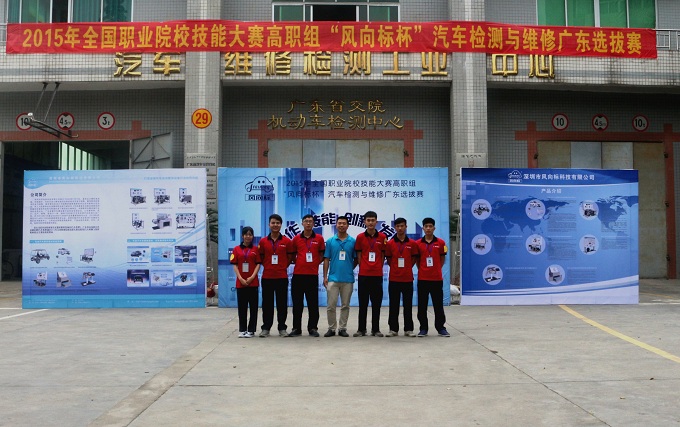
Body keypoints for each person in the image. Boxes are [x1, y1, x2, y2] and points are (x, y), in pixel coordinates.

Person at [288, 214, 325, 337]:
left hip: (312, 276)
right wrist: (300, 262)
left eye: (310, 221)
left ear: (314, 223)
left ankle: (313, 328)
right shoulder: (296, 239)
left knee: (313, 304)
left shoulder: (319, 238)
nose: (308, 223)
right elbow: (292, 256)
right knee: (297, 304)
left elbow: (321, 255)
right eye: (306, 221)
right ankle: (296, 328)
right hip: (298, 276)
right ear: (302, 223)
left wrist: (314, 264)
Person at [257, 214, 293, 338]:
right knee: (267, 304)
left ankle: (282, 328)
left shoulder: (287, 241)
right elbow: (261, 257)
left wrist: (282, 266)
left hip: (282, 277)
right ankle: (266, 328)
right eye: (273, 223)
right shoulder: (263, 241)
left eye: (278, 223)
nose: (275, 225)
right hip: (267, 277)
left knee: (282, 304)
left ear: (281, 225)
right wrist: (268, 266)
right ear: (269, 224)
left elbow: (290, 257)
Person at [354, 210, 387, 337]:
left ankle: (376, 329)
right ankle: (361, 329)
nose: (371, 222)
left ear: (376, 222)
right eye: (368, 220)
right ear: (364, 222)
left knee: (376, 304)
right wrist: (363, 267)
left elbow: (383, 254)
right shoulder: (360, 237)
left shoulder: (382, 237)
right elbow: (359, 254)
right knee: (363, 304)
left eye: (373, 220)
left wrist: (378, 266)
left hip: (377, 275)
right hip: (364, 275)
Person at [322, 215, 357, 337]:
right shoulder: (330, 241)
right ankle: (331, 328)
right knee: (331, 306)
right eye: (339, 223)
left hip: (348, 279)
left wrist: (349, 268)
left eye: (344, 223)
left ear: (348, 226)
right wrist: (325, 277)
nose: (341, 225)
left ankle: (342, 328)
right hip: (333, 279)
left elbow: (356, 259)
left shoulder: (352, 241)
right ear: (336, 225)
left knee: (345, 305)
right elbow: (326, 259)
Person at [384, 217, 419, 337]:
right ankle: (393, 329)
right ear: (395, 227)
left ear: (406, 226)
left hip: (407, 278)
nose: (400, 228)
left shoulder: (412, 243)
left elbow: (414, 259)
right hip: (394, 278)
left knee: (408, 305)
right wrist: (396, 268)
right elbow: (389, 259)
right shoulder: (390, 243)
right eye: (398, 226)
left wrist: (406, 267)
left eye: (402, 226)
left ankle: (408, 329)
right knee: (393, 305)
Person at [415, 217, 450, 337]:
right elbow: (417, 261)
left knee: (438, 305)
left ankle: (441, 328)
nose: (428, 228)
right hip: (423, 279)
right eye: (426, 226)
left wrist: (436, 269)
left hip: (436, 279)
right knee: (422, 305)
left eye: (430, 226)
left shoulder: (440, 243)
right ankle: (423, 328)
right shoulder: (418, 244)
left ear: (434, 228)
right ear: (423, 228)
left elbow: (442, 259)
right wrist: (423, 270)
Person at [231, 226, 261, 338]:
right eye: (246, 234)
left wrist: (252, 277)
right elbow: (234, 265)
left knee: (253, 308)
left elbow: (258, 264)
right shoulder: (236, 249)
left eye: (250, 234)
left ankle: (251, 330)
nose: (248, 236)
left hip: (253, 282)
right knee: (242, 308)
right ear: (242, 236)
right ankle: (242, 329)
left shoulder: (256, 249)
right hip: (241, 283)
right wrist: (240, 278)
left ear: (252, 236)